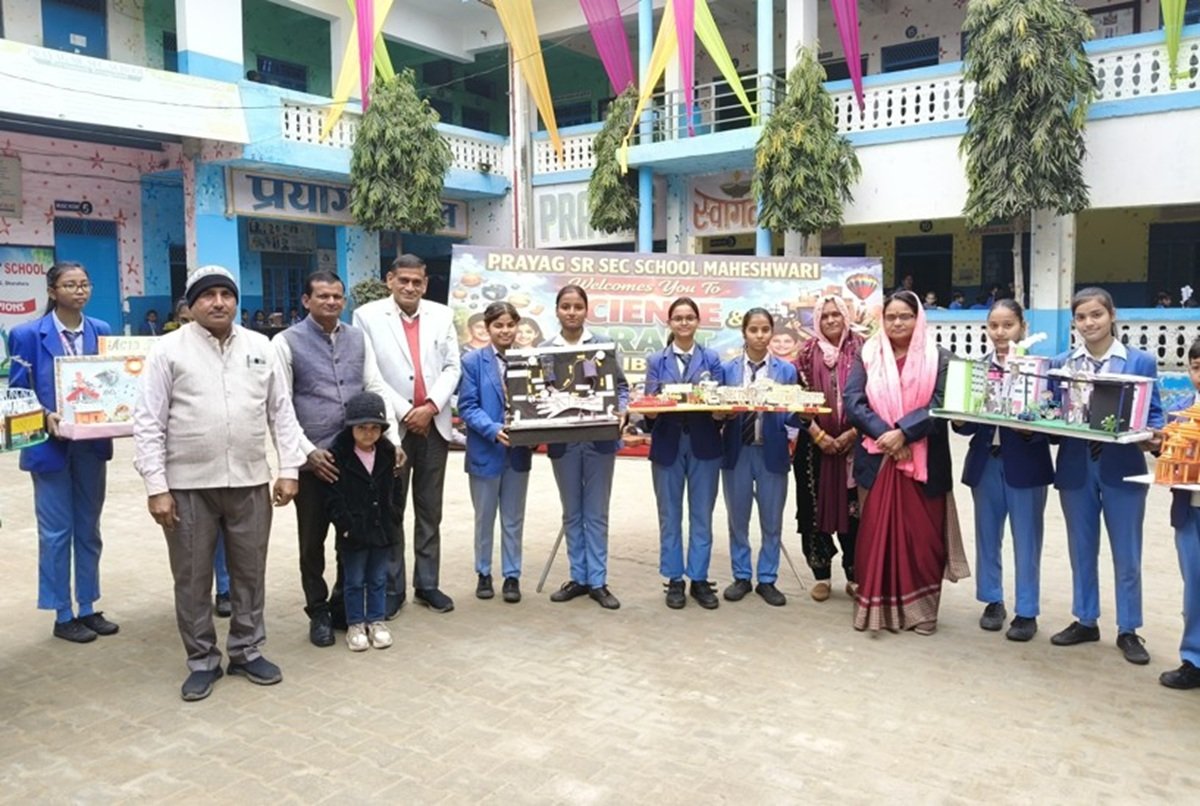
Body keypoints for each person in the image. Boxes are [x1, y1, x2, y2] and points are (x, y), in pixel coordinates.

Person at [133, 265, 305, 702]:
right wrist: (156, 486)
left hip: (249, 481)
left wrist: (289, 469)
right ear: (191, 305)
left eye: (226, 295)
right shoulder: (168, 350)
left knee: (250, 572)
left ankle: (247, 650)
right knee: (192, 578)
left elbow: (281, 412)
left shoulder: (261, 346)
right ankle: (202, 660)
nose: (218, 303)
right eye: (207, 295)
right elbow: (148, 421)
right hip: (187, 486)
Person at [275, 270, 402, 645]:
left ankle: (343, 606)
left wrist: (392, 439)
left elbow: (375, 386)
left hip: (356, 460)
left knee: (355, 535)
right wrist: (307, 452)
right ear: (306, 300)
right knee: (311, 543)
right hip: (312, 462)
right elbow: (281, 406)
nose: (331, 302)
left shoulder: (358, 338)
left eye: (337, 296)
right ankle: (317, 612)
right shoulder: (285, 342)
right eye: (323, 296)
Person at [1049, 287, 1163, 665]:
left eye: (1096, 314)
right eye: (1081, 317)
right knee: (1081, 549)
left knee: (1127, 553)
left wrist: (1152, 435)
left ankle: (1128, 628)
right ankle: (1086, 619)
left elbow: (1154, 414)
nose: (1089, 323)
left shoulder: (1140, 362)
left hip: (1123, 468)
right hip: (1076, 466)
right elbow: (1051, 413)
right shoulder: (1062, 364)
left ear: (1112, 315)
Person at [7, 261, 117, 643]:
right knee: (56, 532)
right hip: (49, 447)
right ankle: (62, 613)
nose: (79, 290)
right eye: (70, 285)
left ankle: (87, 605)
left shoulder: (101, 331)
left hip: (90, 445)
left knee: (89, 528)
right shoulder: (25, 335)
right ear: (53, 291)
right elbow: (17, 392)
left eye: (84, 284)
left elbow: (112, 384)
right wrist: (44, 415)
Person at [845, 290, 965, 634]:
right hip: (877, 459)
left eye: (905, 316)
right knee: (875, 538)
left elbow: (943, 402)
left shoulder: (941, 359)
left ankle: (921, 613)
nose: (897, 323)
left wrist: (905, 433)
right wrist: (888, 435)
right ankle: (879, 610)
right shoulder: (867, 355)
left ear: (918, 318)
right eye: (891, 317)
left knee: (923, 541)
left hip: (924, 464)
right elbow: (854, 401)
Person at [353, 254, 462, 615]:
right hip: (393, 429)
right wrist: (406, 412)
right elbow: (370, 374)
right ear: (390, 280)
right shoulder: (367, 316)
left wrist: (430, 406)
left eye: (417, 282)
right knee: (392, 509)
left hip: (434, 426)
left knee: (430, 510)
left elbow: (452, 367)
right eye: (404, 280)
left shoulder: (442, 315)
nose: (410, 287)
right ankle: (392, 588)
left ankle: (427, 584)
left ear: (426, 284)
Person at [954, 300, 1053, 641]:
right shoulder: (976, 369)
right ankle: (992, 600)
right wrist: (959, 418)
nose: (1000, 332)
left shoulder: (1039, 369)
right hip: (986, 463)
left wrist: (1030, 429)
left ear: (1023, 326)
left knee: (1027, 540)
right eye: (993, 325)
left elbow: (1053, 420)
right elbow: (967, 425)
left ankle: (1027, 611)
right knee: (987, 536)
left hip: (1026, 464)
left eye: (1008, 325)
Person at [545, 285, 629, 610]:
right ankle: (578, 577)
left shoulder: (603, 346)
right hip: (563, 442)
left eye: (577, 306)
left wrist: (622, 410)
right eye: (565, 306)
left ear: (586, 310)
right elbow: (536, 392)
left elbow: (620, 387)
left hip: (599, 439)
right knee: (572, 511)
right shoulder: (545, 350)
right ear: (557, 310)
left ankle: (598, 581)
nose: (571, 312)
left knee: (596, 512)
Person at [643, 297, 724, 610]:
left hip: (705, 444)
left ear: (698, 322)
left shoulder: (711, 358)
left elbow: (720, 402)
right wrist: (649, 408)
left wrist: (721, 410)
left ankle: (699, 578)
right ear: (670, 323)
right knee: (670, 515)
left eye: (690, 317)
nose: (684, 323)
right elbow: (650, 406)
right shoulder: (656, 360)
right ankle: (674, 578)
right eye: (678, 318)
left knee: (702, 515)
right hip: (667, 445)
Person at [720, 308, 798, 607]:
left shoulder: (786, 371)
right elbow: (717, 409)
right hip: (737, 452)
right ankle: (741, 575)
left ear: (771, 333)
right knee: (737, 519)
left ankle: (767, 578)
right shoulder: (727, 370)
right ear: (744, 332)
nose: (760, 335)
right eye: (753, 329)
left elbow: (791, 414)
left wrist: (802, 416)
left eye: (765, 329)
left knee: (772, 520)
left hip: (772, 451)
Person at [457, 302, 532, 604]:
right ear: (487, 328)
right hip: (485, 451)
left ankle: (512, 575)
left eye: (510, 325)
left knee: (513, 519)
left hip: (518, 452)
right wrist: (492, 429)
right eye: (498, 325)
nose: (505, 331)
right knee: (484, 518)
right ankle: (484, 572)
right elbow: (467, 406)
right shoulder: (472, 361)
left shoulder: (529, 359)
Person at [792, 295, 863, 602]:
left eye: (836, 314)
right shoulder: (806, 353)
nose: (831, 320)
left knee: (856, 512)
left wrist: (853, 433)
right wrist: (819, 435)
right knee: (813, 509)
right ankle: (821, 575)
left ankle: (855, 575)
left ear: (845, 316)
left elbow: (875, 395)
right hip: (814, 447)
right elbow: (795, 399)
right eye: (825, 315)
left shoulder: (864, 349)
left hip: (856, 445)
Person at [325, 392, 398, 652]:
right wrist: (345, 525)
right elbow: (332, 496)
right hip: (353, 532)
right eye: (361, 428)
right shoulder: (339, 456)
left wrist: (393, 518)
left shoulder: (388, 454)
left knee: (378, 578)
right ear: (351, 428)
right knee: (354, 580)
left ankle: (376, 620)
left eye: (374, 428)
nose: (368, 434)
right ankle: (355, 623)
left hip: (381, 530)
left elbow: (396, 490)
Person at [1162, 338, 1200, 690]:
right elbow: (1166, 448)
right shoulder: (1184, 408)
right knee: (1194, 588)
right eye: (1197, 367)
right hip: (1189, 510)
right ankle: (1193, 659)